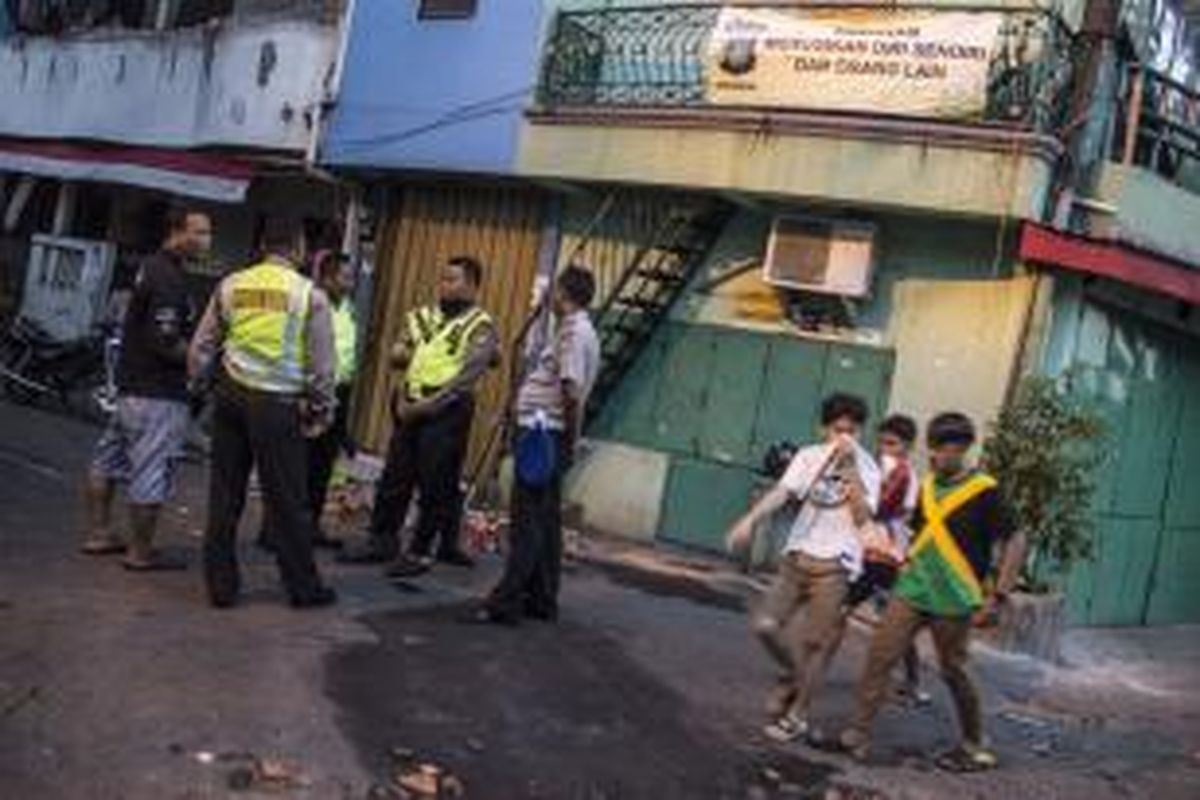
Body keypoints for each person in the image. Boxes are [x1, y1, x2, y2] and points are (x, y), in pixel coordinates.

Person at [833, 412, 1025, 771]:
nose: (935, 456)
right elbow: (921, 531)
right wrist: (901, 560)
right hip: (914, 585)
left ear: (963, 448)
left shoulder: (985, 490)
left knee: (953, 669)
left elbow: (1016, 538)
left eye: (944, 449)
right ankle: (855, 735)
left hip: (954, 594)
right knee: (880, 655)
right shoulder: (929, 485)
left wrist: (999, 595)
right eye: (933, 448)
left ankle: (975, 745)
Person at [188, 217, 337, 609]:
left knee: (225, 494)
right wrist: (322, 408)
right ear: (298, 249)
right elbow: (323, 369)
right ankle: (303, 588)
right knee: (287, 501)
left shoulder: (232, 285)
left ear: (263, 248)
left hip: (232, 399)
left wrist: (201, 387)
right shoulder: (310, 295)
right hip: (279, 406)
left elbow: (202, 347)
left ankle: (221, 587)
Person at [726, 393, 881, 743]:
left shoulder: (868, 468)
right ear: (824, 428)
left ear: (860, 431)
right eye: (837, 429)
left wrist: (850, 470)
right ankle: (792, 677)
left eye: (851, 431)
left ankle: (798, 716)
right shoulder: (808, 457)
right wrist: (750, 520)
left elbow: (862, 517)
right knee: (765, 626)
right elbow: (783, 492)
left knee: (815, 645)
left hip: (834, 567)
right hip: (797, 557)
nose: (843, 437)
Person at [339, 256, 498, 576]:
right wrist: (399, 364)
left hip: (447, 408)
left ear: (472, 285)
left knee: (436, 481)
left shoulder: (480, 324)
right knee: (395, 475)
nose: (444, 284)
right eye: (443, 278)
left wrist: (427, 405)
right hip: (410, 403)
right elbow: (400, 352)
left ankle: (422, 551)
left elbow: (468, 376)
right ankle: (382, 540)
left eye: (453, 279)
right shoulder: (422, 316)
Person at [82, 207, 212, 571]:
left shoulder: (151, 268)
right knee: (151, 471)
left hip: (130, 388)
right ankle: (140, 552)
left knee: (106, 461)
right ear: (176, 232)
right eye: (199, 232)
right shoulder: (168, 277)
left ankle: (99, 533)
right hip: (157, 394)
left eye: (208, 233)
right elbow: (164, 340)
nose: (206, 241)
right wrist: (199, 359)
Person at [476, 265, 599, 626]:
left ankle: (506, 601)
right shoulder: (572, 330)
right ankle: (542, 599)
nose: (549, 297)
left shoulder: (574, 332)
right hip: (548, 433)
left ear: (563, 293)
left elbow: (571, 390)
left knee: (526, 522)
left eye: (554, 290)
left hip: (545, 434)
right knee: (544, 521)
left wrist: (569, 438)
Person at [257, 250, 356, 551]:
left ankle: (309, 528)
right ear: (327, 277)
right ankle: (273, 531)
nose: (351, 283)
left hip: (337, 392)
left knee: (321, 467)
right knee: (293, 468)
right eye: (345, 277)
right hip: (307, 392)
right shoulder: (308, 302)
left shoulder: (346, 307)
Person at [826, 414, 927, 704]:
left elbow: (879, 509)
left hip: (886, 559)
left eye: (892, 444)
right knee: (848, 611)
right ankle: (912, 681)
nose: (885, 449)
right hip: (871, 554)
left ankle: (911, 682)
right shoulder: (882, 471)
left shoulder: (904, 476)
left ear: (907, 446)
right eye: (882, 442)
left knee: (895, 625)